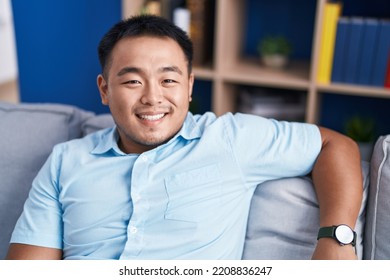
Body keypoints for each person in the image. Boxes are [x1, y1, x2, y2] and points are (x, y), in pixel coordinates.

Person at [6, 14, 363, 260]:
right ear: (104, 90)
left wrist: (337, 239)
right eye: (132, 81)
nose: (152, 97)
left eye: (169, 80)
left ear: (189, 87)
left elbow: (335, 146)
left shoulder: (230, 139)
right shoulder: (66, 161)